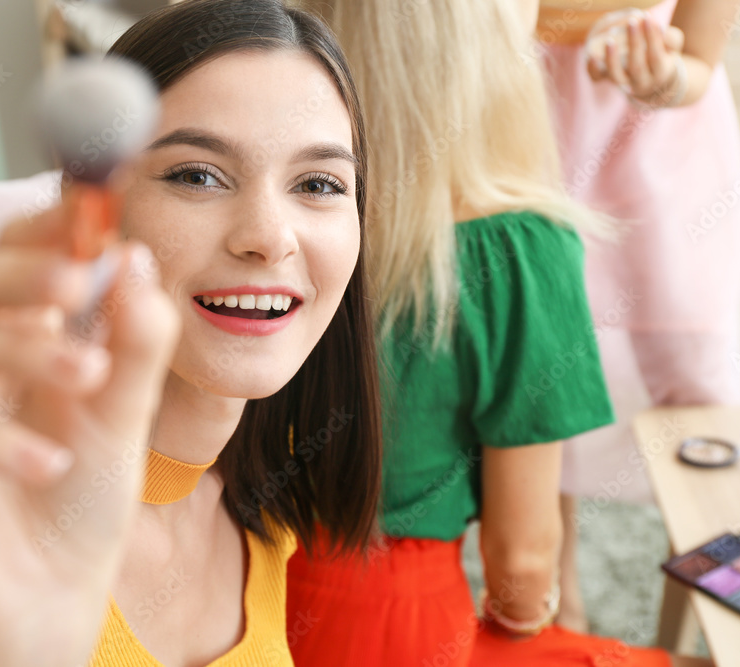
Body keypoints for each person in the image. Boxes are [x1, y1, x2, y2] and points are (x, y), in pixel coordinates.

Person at [0, 1, 382, 664]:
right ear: (93, 206)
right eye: (196, 175)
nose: (269, 238)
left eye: (319, 182)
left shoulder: (269, 504)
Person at [286, 0, 710, 665]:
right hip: (397, 624)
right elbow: (521, 563)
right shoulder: (520, 248)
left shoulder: (270, 222)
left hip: (242, 600)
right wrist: (526, 623)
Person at [537, 0, 740, 630]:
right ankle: (556, 611)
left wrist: (663, 78)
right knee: (542, 390)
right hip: (529, 144)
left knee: (701, 397)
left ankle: (694, 627)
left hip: (669, 176)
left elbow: (700, 61)